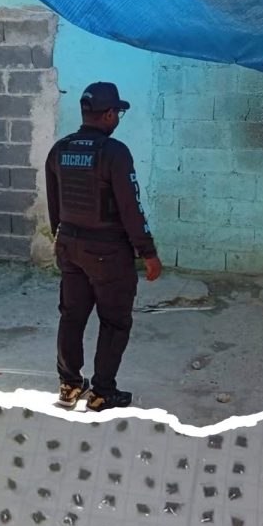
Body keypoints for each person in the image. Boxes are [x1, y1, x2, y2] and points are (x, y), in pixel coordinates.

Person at [44, 82, 163, 413]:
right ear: (109, 114)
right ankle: (102, 393)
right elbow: (130, 208)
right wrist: (148, 252)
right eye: (117, 114)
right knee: (114, 322)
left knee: (72, 316)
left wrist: (63, 241)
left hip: (68, 246)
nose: (117, 119)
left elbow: (55, 206)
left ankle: (69, 385)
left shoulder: (60, 150)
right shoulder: (114, 153)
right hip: (108, 253)